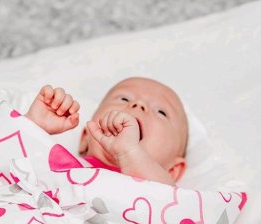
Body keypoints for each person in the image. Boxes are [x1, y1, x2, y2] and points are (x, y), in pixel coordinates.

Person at [24, 77, 189, 186]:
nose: (139, 104)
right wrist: (32, 128)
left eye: (161, 112)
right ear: (85, 138)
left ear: (173, 171)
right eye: (124, 98)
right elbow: (19, 170)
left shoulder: (167, 197)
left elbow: (174, 205)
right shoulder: (63, 165)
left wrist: (129, 152)